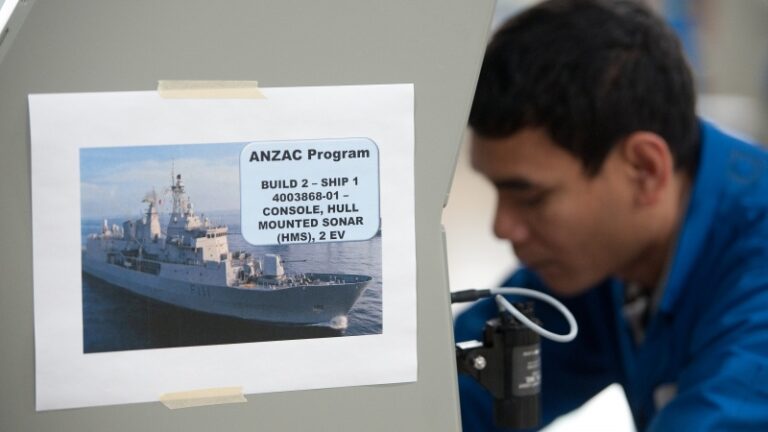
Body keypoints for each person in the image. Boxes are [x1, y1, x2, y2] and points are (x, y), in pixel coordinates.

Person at [453, 0, 768, 431]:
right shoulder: (602, 262)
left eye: (531, 197)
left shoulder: (756, 276)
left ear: (644, 169)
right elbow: (451, 398)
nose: (501, 227)